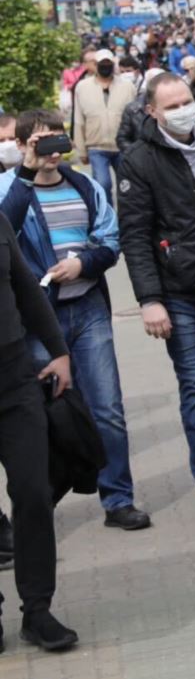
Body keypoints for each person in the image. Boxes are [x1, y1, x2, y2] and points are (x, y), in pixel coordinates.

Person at [1, 109, 146, 532]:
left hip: (88, 310)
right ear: (26, 145)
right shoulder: (10, 189)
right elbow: (4, 230)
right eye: (42, 141)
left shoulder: (83, 185)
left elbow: (110, 241)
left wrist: (82, 264)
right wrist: (26, 172)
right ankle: (41, 498)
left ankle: (118, 498)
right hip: (36, 321)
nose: (52, 148)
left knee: (108, 410)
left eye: (57, 138)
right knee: (45, 414)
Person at [118, 73, 195, 521]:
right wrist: (150, 298)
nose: (183, 110)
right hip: (178, 294)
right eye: (171, 105)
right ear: (152, 111)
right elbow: (135, 235)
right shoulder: (138, 160)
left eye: (187, 100)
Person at [0, 210, 76, 652]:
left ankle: (38, 610)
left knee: (32, 491)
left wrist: (59, 351)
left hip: (13, 377)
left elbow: (26, 289)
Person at [70, 48, 137, 195]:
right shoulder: (83, 87)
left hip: (122, 146)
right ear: (95, 64)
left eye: (108, 63)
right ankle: (107, 215)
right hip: (96, 146)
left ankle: (126, 216)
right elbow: (79, 119)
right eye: (102, 63)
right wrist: (81, 149)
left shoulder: (127, 86)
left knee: (127, 187)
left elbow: (135, 118)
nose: (106, 66)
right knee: (102, 184)